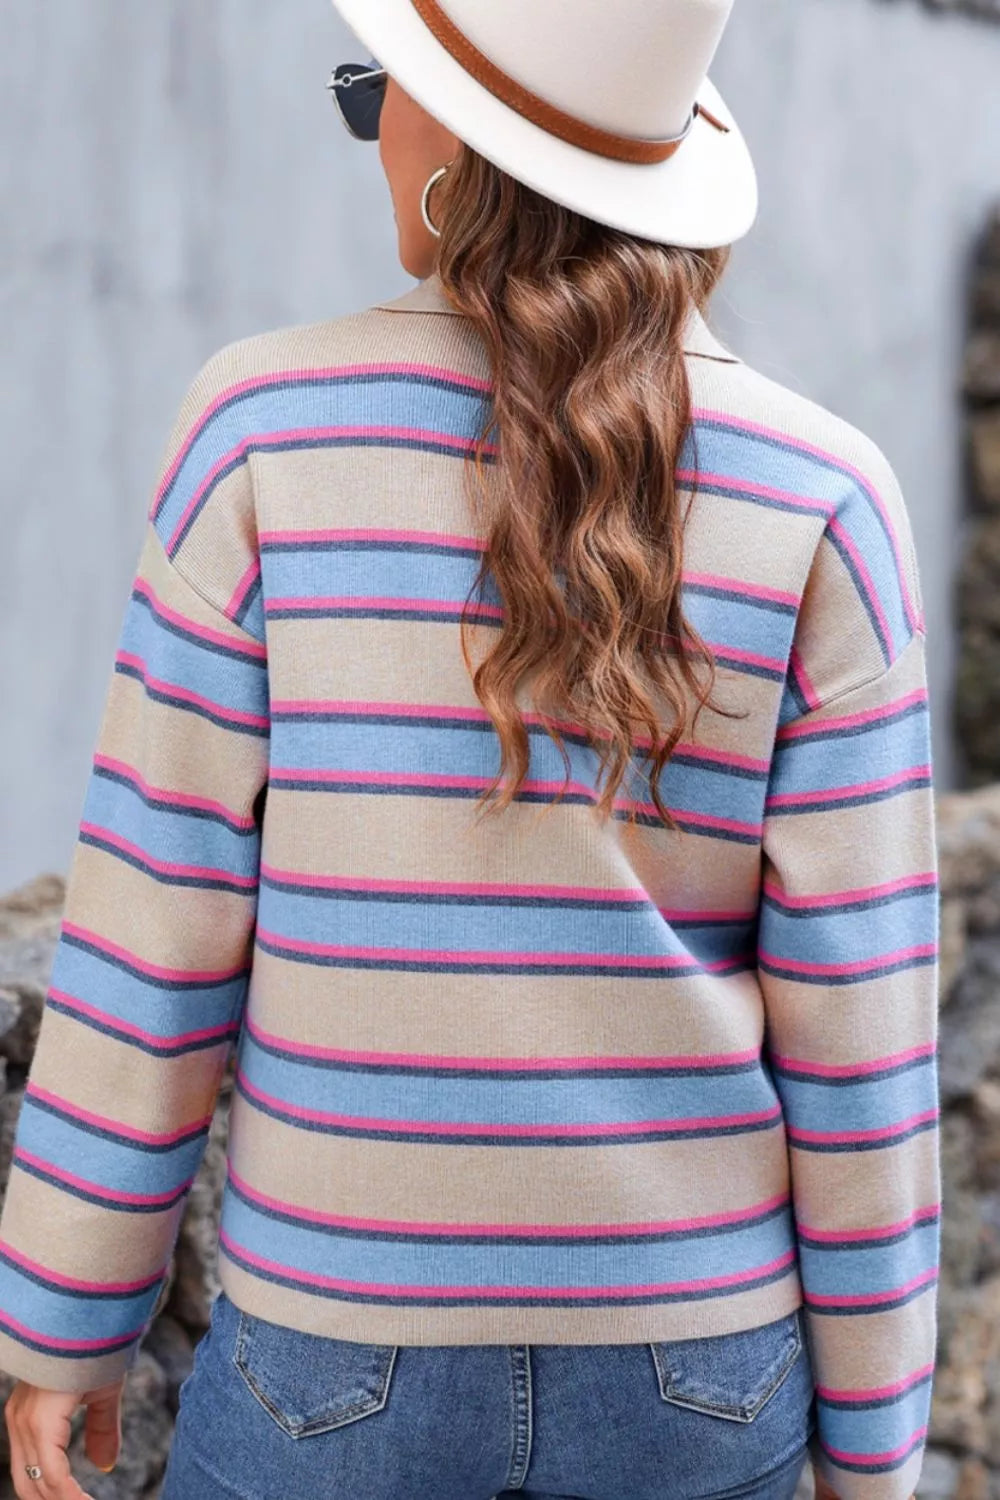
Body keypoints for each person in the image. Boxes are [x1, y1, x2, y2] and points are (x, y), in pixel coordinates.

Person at [0, 0, 940, 1497]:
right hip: (699, 1373)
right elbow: (863, 1037)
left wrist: (65, 1321)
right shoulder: (830, 497)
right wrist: (878, 1449)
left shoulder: (262, 436)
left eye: (376, 92)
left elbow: (153, 934)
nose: (372, 128)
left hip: (332, 1340)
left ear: (455, 148)